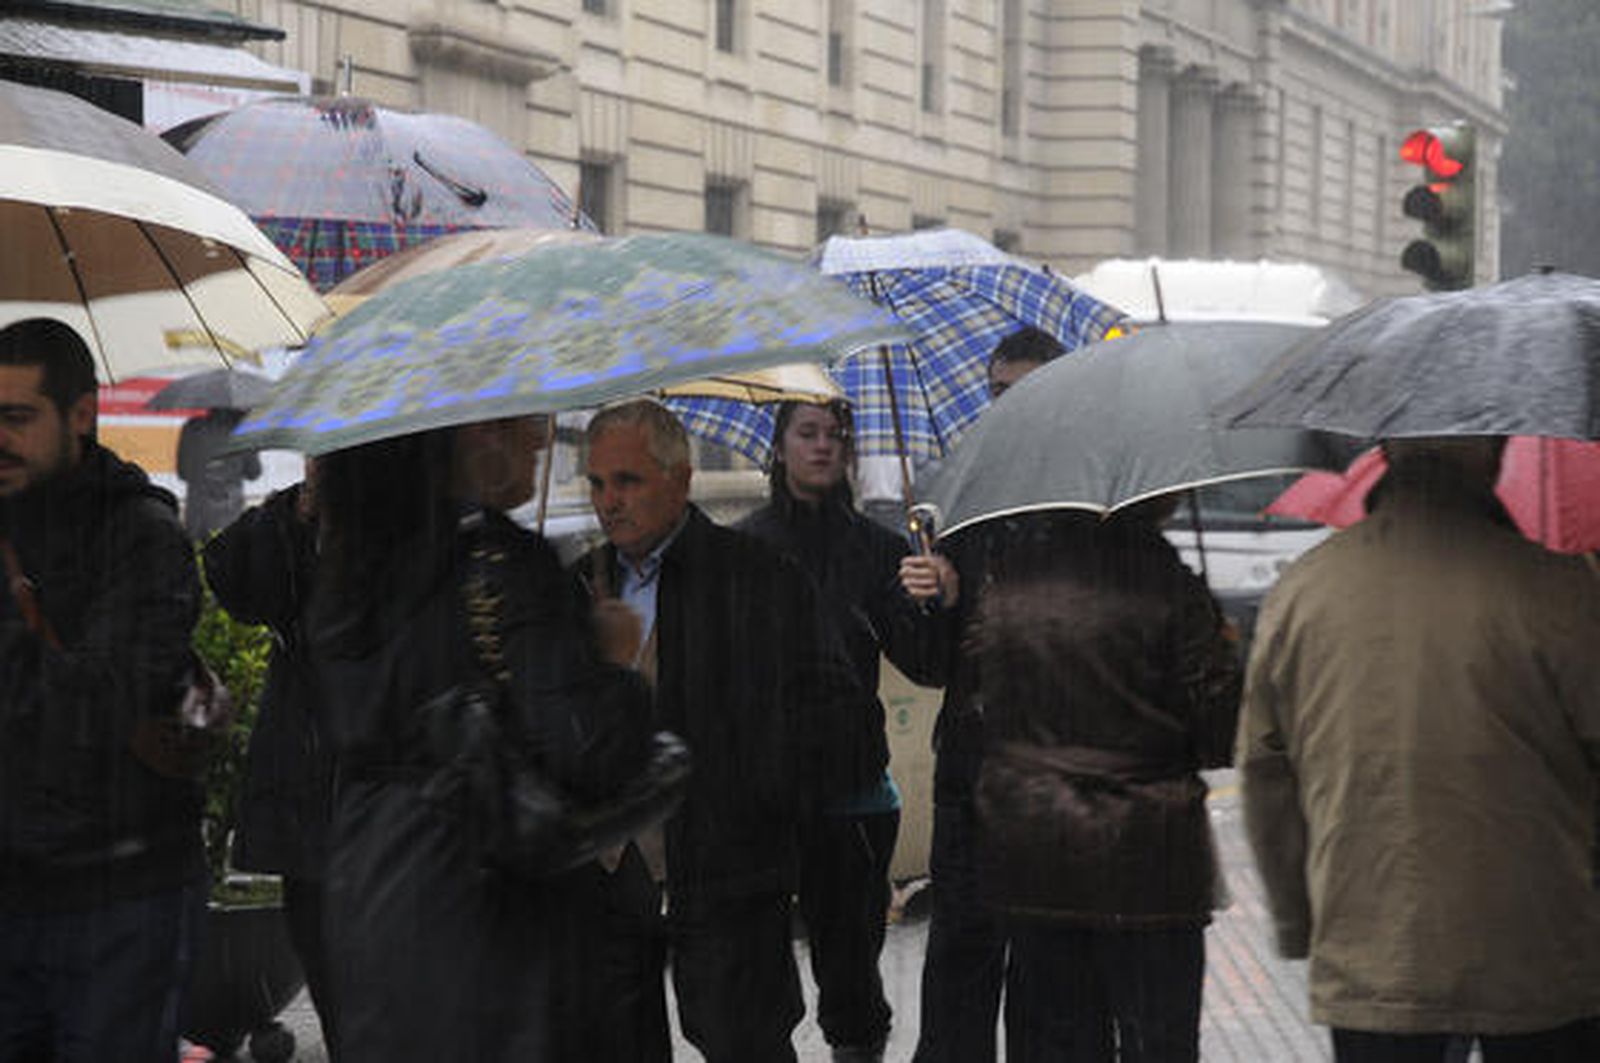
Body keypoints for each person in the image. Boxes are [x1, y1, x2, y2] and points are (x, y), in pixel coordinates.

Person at [1238, 436, 1600, 1062]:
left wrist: (1300, 922)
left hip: (1369, 939)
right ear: (1493, 457)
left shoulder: (1303, 592)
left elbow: (1267, 773)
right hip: (1539, 937)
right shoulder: (1557, 587)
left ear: (1387, 456)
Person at [308, 414, 654, 1062]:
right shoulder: (503, 565)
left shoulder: (354, 567)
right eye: (520, 422)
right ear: (473, 434)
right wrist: (610, 661)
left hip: (375, 897)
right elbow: (588, 751)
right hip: (490, 921)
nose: (541, 437)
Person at [565, 398, 877, 1063]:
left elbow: (837, 716)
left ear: (679, 480)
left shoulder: (757, 577)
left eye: (628, 480)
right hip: (609, 876)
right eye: (596, 483)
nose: (608, 501)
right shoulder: (577, 588)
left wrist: (755, 798)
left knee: (746, 1042)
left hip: (728, 872)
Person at [0, 317, 206, 1062]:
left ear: (81, 415)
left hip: (120, 895)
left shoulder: (141, 533)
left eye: (17, 418)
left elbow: (101, 701)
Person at [971, 502, 1241, 1061]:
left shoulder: (1007, 585)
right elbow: (1220, 733)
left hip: (1033, 849)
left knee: (1059, 1036)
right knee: (1156, 1037)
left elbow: (983, 705)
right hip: (1149, 856)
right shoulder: (1167, 585)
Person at [737, 398, 955, 1062]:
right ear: (778, 447)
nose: (824, 446)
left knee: (852, 981)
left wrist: (935, 599)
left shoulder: (881, 549)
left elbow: (927, 663)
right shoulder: (743, 548)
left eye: (838, 435)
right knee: (751, 983)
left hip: (853, 790)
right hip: (763, 794)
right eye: (807, 433)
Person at [908, 324, 1064, 1063]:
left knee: (1042, 970)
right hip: (968, 768)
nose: (1004, 406)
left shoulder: (1082, 507)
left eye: (1022, 391)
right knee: (960, 958)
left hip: (1050, 772)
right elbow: (933, 665)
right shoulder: (961, 500)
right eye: (996, 391)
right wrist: (937, 598)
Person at [202, 466, 339, 1056]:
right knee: (325, 962)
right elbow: (232, 578)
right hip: (305, 785)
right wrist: (299, 507)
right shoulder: (292, 524)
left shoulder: (417, 529)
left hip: (382, 800)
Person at [177, 407, 262, 539]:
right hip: (230, 516)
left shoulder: (192, 427)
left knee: (198, 555)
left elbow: (183, 472)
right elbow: (254, 473)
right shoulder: (243, 431)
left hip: (197, 514)